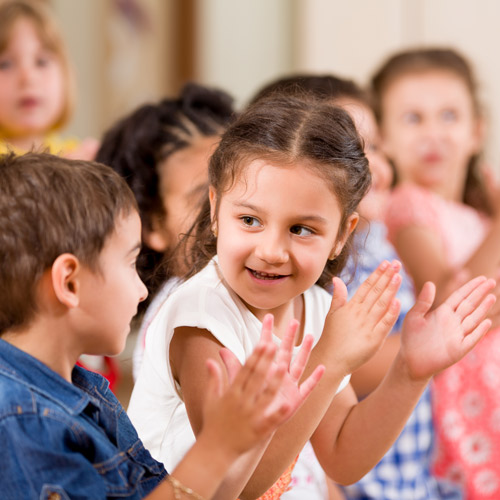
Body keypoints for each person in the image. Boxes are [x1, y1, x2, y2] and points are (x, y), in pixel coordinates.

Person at [128, 94, 496, 500]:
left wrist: (410, 371)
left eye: (302, 229)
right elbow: (231, 487)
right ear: (216, 209)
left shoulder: (317, 307)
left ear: (341, 234)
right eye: (249, 220)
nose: (271, 250)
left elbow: (343, 457)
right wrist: (330, 359)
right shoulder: (201, 318)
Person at [0, 151, 325, 500]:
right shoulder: (23, 421)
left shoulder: (83, 389)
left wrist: (245, 435)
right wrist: (217, 446)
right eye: (130, 263)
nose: (142, 291)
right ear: (70, 283)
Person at [372, 47, 500, 499]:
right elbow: (461, 302)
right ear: (382, 135)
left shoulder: (479, 221)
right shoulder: (407, 206)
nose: (433, 134)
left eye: (449, 115)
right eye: (413, 119)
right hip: (465, 413)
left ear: (476, 131)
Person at [95, 82, 236, 379]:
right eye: (204, 197)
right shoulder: (189, 314)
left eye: (240, 187)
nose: (234, 209)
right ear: (151, 224)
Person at [0, 0, 98, 158]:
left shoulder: (74, 152)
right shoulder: (71, 159)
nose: (28, 78)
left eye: (41, 62)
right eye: (5, 64)